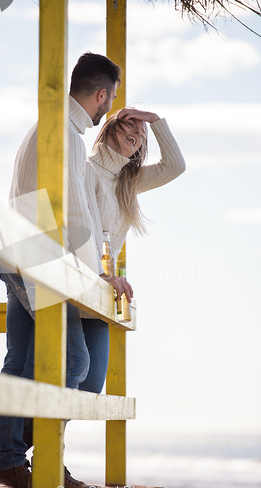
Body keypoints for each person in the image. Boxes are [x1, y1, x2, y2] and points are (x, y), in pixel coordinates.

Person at [0, 52, 131, 488]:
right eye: (110, 100)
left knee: (26, 362)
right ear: (102, 95)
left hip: (28, 258)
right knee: (71, 361)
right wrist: (97, 279)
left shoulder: (58, 126)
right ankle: (22, 457)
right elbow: (73, 214)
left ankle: (19, 461)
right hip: (38, 262)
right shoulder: (66, 134)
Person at [76, 107, 186, 393]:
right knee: (67, 375)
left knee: (90, 386)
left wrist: (155, 120)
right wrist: (98, 273)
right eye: (129, 127)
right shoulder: (85, 168)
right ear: (110, 128)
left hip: (102, 291)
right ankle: (18, 440)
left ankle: (38, 439)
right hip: (78, 281)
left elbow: (175, 166)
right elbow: (80, 230)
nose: (137, 134)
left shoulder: (128, 181)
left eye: (141, 133)